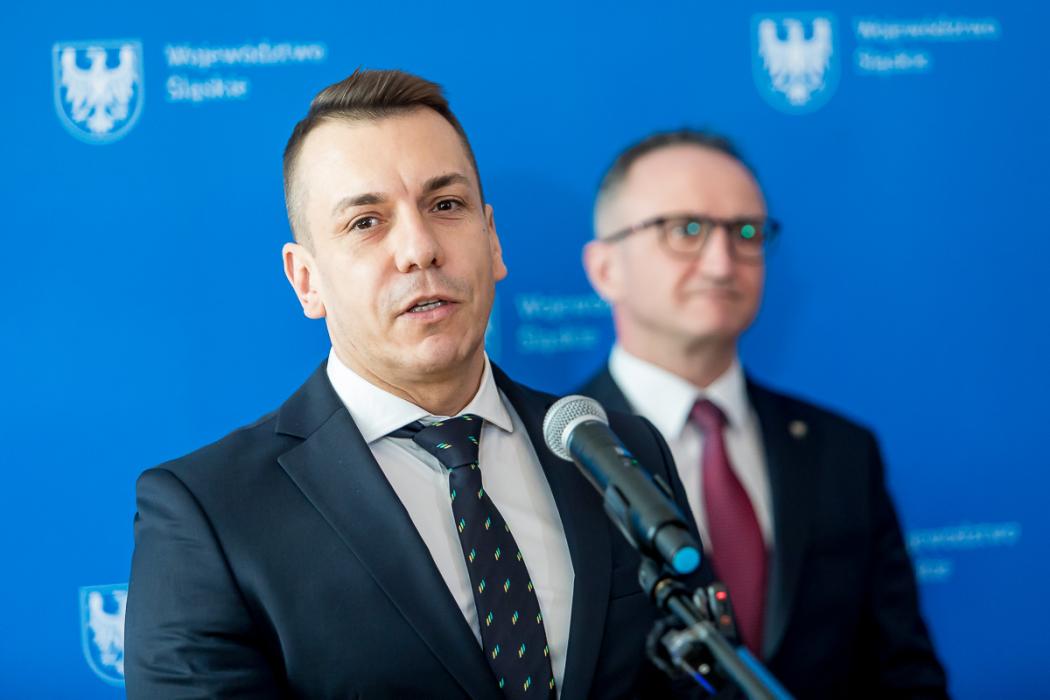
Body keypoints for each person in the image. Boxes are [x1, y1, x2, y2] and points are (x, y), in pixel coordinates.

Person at [124, 70, 695, 699]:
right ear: (306, 280)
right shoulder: (208, 515)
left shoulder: (617, 452)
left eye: (445, 205)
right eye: (366, 222)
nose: (420, 249)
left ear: (492, 240)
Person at [579, 130, 949, 699]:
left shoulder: (842, 451)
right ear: (606, 268)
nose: (722, 262)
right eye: (686, 230)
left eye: (746, 232)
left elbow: (904, 673)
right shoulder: (555, 456)